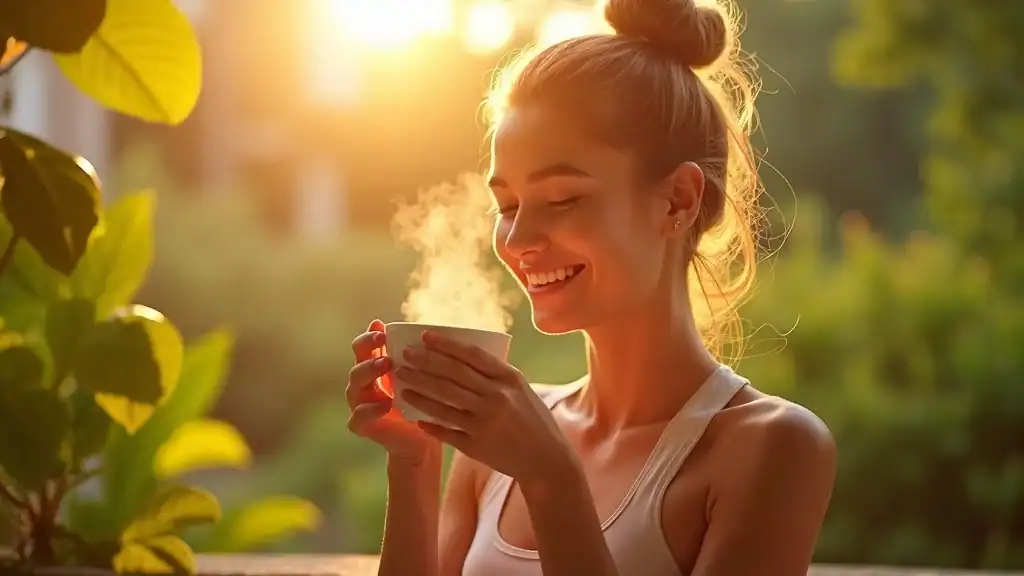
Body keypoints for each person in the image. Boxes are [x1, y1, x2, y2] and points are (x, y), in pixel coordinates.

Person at [345, 0, 837, 574]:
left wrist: (552, 481)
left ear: (678, 199)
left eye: (562, 199)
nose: (518, 239)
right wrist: (415, 463)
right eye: (506, 205)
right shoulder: (504, 438)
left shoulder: (773, 448)